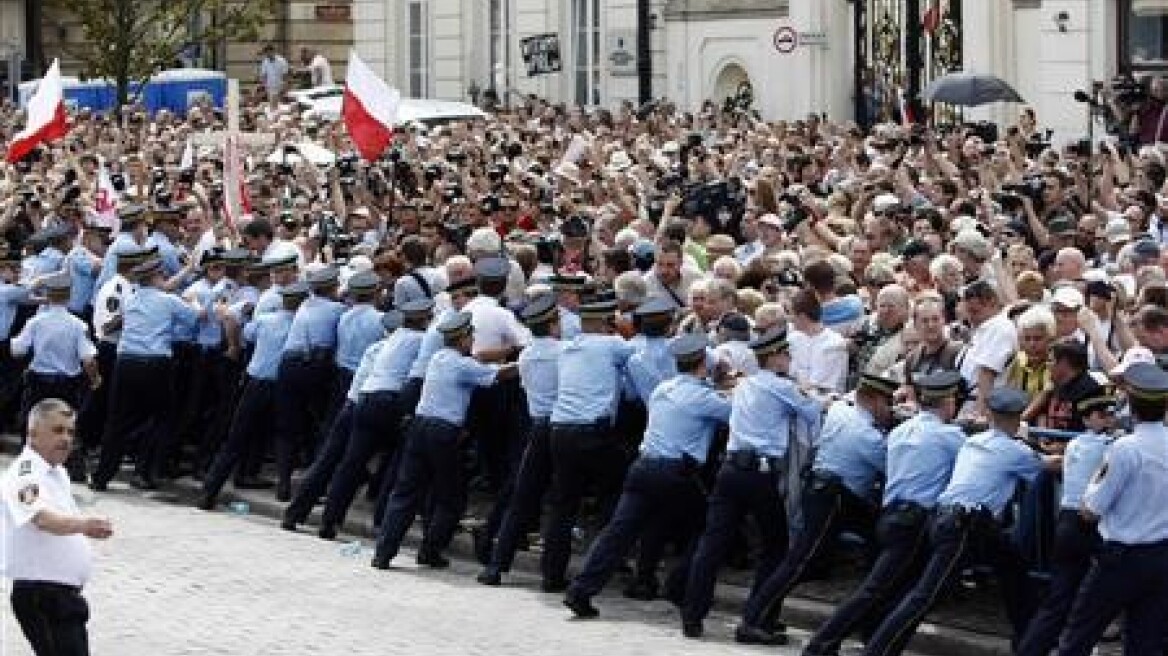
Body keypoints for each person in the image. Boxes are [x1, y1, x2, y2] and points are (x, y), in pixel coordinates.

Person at [860, 387, 1061, 656]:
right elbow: (1050, 465)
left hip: (958, 519)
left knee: (1014, 569)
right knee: (924, 595)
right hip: (965, 524)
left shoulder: (973, 441)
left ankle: (1030, 643)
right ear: (1017, 419)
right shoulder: (1014, 451)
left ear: (990, 415)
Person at [562, 333, 732, 622]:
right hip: (677, 472)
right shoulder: (704, 398)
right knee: (710, 529)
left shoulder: (663, 389)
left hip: (643, 468)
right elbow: (734, 411)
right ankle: (679, 585)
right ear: (703, 363)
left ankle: (581, 589)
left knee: (618, 533)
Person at [803, 370, 966, 656]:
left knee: (894, 588)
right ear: (948, 402)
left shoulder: (901, 431)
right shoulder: (949, 436)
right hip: (914, 521)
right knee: (877, 589)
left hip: (891, 515)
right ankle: (822, 644)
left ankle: (874, 641)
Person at [735, 373, 896, 645]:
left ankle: (871, 624)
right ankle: (752, 619)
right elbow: (888, 464)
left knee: (870, 549)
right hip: (835, 497)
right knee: (800, 562)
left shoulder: (840, 412)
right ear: (870, 400)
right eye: (886, 403)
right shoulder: (866, 436)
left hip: (828, 492)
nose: (889, 409)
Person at [681, 326, 821, 638]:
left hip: (730, 470)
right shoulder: (781, 387)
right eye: (786, 353)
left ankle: (692, 614)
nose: (789, 358)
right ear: (774, 357)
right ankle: (759, 618)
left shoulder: (745, 384)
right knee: (774, 547)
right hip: (759, 473)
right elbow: (812, 412)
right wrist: (807, 390)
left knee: (712, 544)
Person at [371, 311, 518, 569]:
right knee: (451, 497)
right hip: (442, 432)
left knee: (406, 492)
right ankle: (430, 550)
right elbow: (498, 376)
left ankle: (383, 552)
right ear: (461, 339)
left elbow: (479, 364)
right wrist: (527, 359)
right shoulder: (462, 365)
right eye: (471, 336)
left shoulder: (438, 359)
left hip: (420, 427)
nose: (473, 341)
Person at [1054, 363, 1168, 656]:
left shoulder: (1125, 448)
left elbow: (1090, 509)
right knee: (1146, 643)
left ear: (1130, 404)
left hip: (1121, 557)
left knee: (1077, 637)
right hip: (1160, 556)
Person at [2, 398, 113, 656]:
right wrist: (84, 525)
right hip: (41, 593)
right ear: (32, 434)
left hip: (60, 595)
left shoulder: (57, 473)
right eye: (57, 430)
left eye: (70, 431)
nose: (65, 438)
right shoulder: (25, 474)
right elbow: (40, 518)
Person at [541, 297, 635, 592]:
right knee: (614, 493)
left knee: (563, 504)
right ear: (608, 322)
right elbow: (640, 355)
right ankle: (605, 562)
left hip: (560, 429)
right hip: (592, 432)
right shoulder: (611, 344)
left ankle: (552, 574)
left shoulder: (568, 347)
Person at [1015, 394, 1113, 656]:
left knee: (1058, 599)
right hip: (1088, 523)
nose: (1108, 419)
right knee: (1095, 596)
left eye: (1108, 414)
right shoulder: (1107, 446)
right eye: (1101, 414)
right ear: (1087, 418)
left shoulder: (1075, 445)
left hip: (1066, 522)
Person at [90, 257, 199, 491]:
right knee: (162, 419)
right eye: (161, 276)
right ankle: (145, 472)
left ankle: (102, 476)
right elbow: (195, 320)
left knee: (117, 420)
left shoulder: (130, 300)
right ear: (156, 277)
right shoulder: (168, 301)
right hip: (155, 364)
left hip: (126, 362)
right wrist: (195, 303)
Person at [198, 282, 309, 510]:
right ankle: (284, 487)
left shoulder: (265, 320)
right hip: (284, 385)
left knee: (235, 438)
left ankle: (210, 491)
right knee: (284, 436)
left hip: (257, 381)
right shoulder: (303, 325)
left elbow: (246, 334)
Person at [478, 294, 562, 585]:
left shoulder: (526, 354)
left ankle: (496, 565)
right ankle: (552, 573)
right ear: (552, 325)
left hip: (536, 427)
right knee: (560, 501)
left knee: (521, 498)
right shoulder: (563, 352)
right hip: (558, 425)